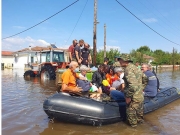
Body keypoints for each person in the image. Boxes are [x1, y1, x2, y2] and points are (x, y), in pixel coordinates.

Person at [118, 54, 148, 127]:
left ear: (125, 60)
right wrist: (141, 88)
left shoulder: (128, 70)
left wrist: (128, 97)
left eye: (120, 60)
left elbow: (132, 85)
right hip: (139, 97)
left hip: (133, 99)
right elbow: (145, 79)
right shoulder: (136, 68)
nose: (119, 61)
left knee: (132, 122)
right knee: (140, 119)